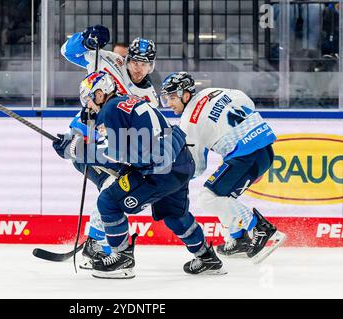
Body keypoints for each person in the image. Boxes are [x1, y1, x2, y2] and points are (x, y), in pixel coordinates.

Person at [60, 71, 226, 279]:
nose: (88, 106)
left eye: (88, 100)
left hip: (159, 172)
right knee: (174, 215)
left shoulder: (110, 110)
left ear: (100, 94)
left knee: (108, 201)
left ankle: (122, 259)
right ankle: (206, 257)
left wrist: (77, 151)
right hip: (182, 161)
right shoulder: (130, 100)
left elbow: (118, 155)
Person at [56, 25, 160, 269]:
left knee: (112, 190)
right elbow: (67, 53)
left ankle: (96, 241)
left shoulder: (151, 98)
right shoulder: (109, 61)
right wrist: (84, 38)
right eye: (135, 61)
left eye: (145, 64)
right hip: (84, 135)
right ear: (127, 58)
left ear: (151, 66)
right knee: (111, 190)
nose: (138, 68)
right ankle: (96, 242)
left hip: (109, 149)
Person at [160, 72, 287, 263]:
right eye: (165, 98)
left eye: (171, 97)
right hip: (265, 151)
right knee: (223, 195)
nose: (168, 103)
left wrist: (173, 178)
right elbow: (247, 103)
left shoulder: (188, 122)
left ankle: (260, 227)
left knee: (207, 197)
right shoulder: (213, 91)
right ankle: (237, 239)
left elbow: (197, 167)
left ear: (185, 95)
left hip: (246, 156)